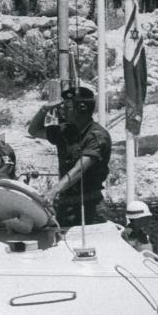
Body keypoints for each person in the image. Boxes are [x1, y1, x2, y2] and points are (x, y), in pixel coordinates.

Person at [28, 85, 113, 228]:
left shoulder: (97, 136)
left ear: (82, 108)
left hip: (89, 207)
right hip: (66, 206)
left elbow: (79, 169)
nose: (63, 109)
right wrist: (44, 109)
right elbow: (34, 131)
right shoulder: (65, 131)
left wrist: (53, 191)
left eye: (68, 106)